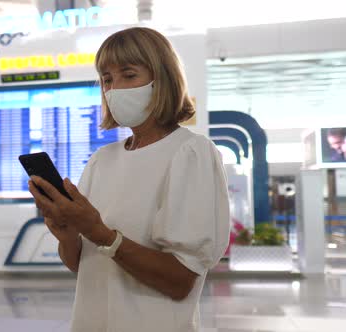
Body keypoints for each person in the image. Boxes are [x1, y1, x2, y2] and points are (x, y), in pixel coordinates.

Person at [28, 27, 230, 332]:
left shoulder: (189, 153)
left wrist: (100, 233)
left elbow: (180, 281)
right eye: (107, 80)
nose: (115, 89)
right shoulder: (102, 160)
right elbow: (87, 267)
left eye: (129, 75)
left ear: (161, 78)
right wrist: (68, 234)